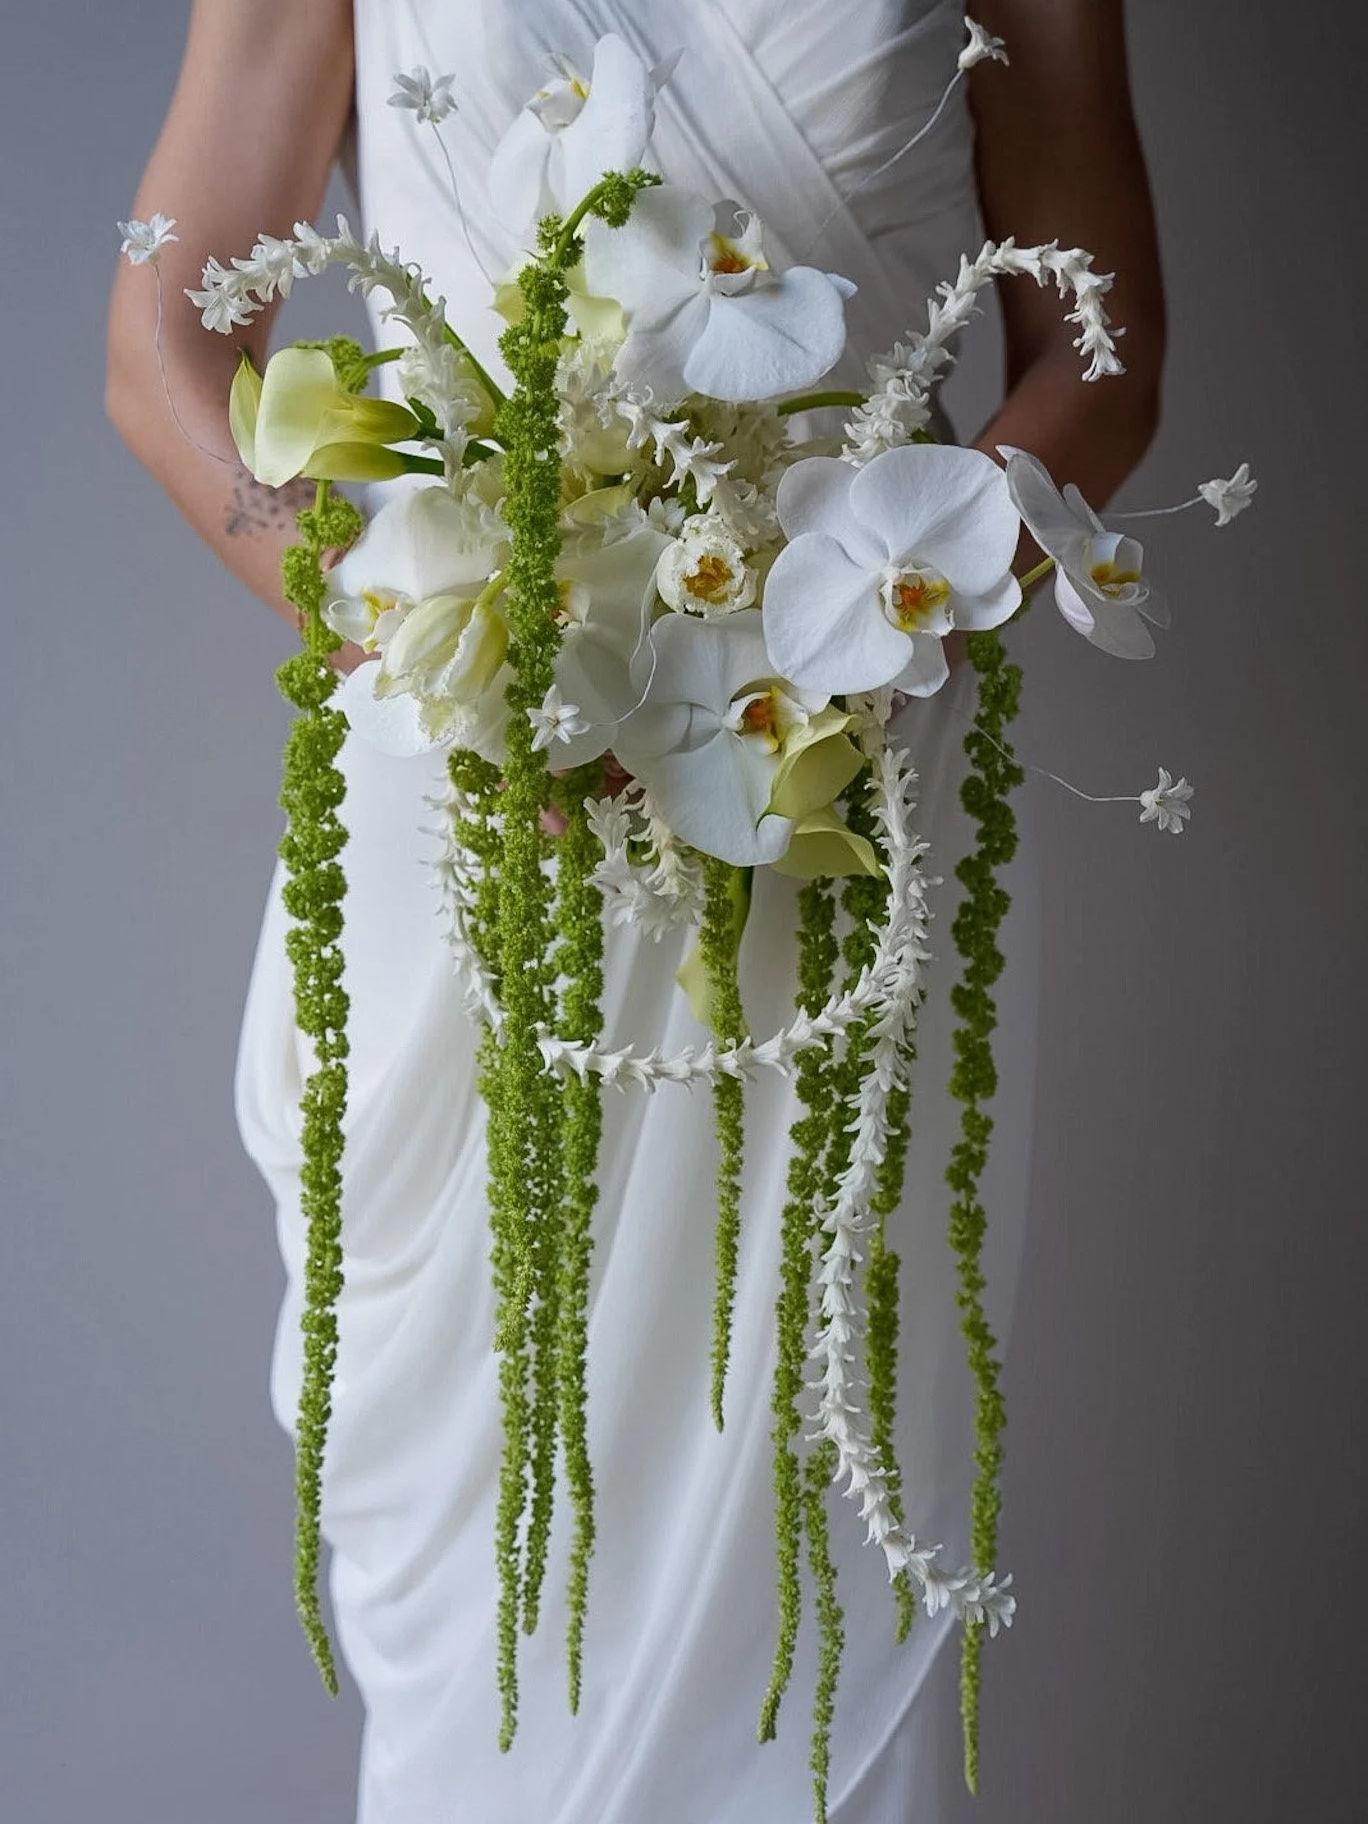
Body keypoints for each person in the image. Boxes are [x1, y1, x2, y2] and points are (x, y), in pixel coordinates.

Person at [107, 3, 1163, 1819]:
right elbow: (160, 346)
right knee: (485, 1585)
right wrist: (435, 629)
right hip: (476, 792)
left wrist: (866, 597)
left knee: (795, 1521)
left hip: (845, 768)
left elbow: (1102, 353)